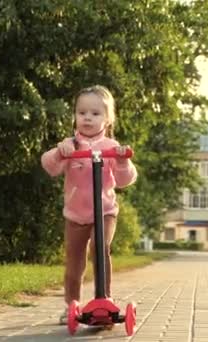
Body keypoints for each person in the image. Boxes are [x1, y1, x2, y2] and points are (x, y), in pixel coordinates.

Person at [41, 85, 138, 325]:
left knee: (99, 246)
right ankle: (71, 305)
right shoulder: (70, 144)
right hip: (75, 214)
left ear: (107, 119)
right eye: (82, 112)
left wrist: (123, 162)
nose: (87, 117)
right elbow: (49, 167)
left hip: (104, 211)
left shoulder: (111, 147)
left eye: (95, 113)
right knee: (74, 263)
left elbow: (126, 181)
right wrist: (60, 154)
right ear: (74, 115)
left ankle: (104, 299)